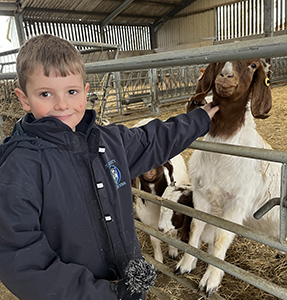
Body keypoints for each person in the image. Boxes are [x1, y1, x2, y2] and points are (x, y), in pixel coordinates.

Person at [0, 34, 219, 300]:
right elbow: (24, 262)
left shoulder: (108, 142)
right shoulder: (19, 170)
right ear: (24, 99)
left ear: (85, 91)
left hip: (127, 283)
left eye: (72, 92)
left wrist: (201, 118)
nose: (62, 104)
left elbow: (154, 138)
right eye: (45, 94)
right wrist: (108, 295)